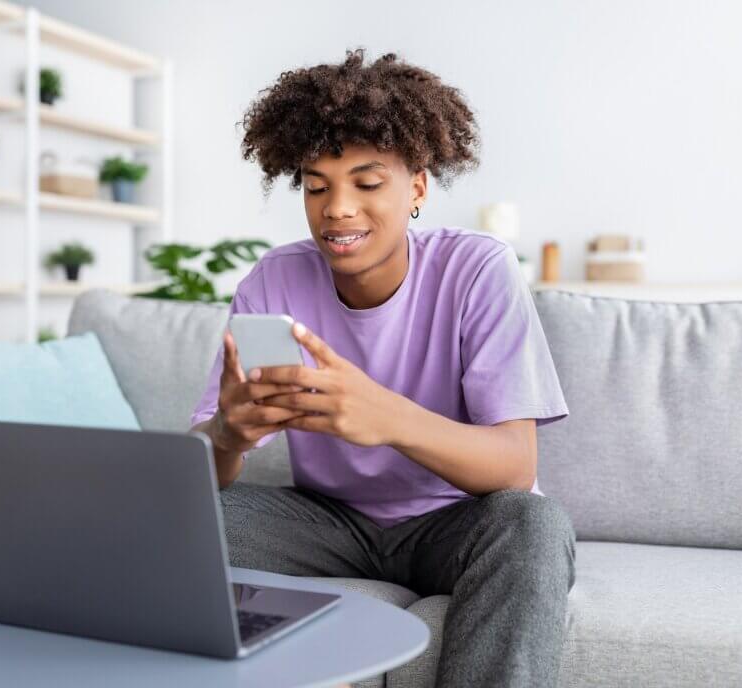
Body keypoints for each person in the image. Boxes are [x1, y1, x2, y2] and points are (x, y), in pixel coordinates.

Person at [189, 47, 576, 688]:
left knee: (533, 525)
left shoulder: (477, 270)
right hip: (329, 521)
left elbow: (514, 465)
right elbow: (204, 464)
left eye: (367, 184)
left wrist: (385, 416)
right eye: (316, 186)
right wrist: (229, 434)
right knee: (179, 523)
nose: (337, 208)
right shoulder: (273, 280)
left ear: (418, 186)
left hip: (455, 522)